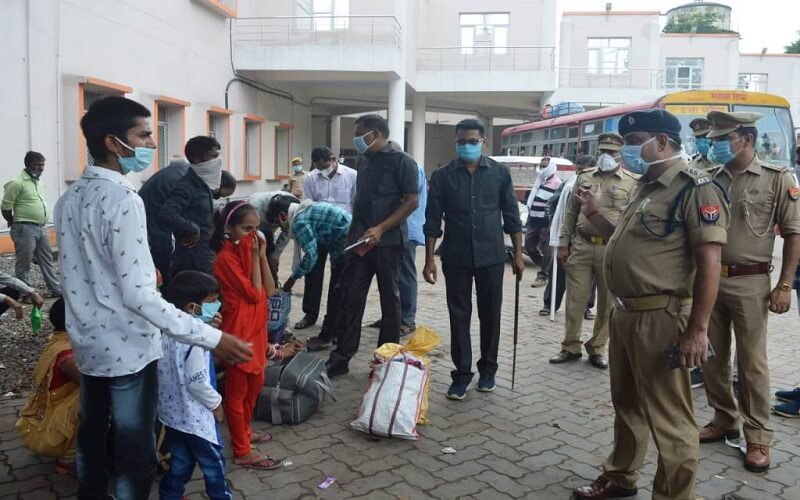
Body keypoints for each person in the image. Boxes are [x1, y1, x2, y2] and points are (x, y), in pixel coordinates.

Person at [55, 96, 252, 499]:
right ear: (113, 142)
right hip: (127, 348)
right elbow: (139, 296)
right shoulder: (124, 200)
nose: (152, 143)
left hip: (90, 344)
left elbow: (81, 275)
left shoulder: (69, 199)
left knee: (92, 437)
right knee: (134, 451)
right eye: (144, 135)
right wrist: (212, 337)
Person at [572, 109, 729, 500]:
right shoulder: (646, 186)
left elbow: (710, 262)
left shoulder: (695, 189)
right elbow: (628, 242)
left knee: (670, 416)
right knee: (626, 404)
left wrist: (696, 330)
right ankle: (620, 477)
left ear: (661, 141)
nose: (627, 149)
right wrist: (593, 213)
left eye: (633, 139)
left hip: (661, 318)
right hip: (624, 314)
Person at [697, 111, 800, 473]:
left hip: (752, 282)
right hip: (709, 281)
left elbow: (794, 234)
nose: (716, 145)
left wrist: (784, 284)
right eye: (715, 139)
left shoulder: (777, 178)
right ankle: (724, 419)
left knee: (751, 363)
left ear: (747, 140)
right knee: (711, 357)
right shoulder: (709, 178)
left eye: (724, 139)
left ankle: (758, 437)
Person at [423, 118, 524, 399]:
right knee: (459, 316)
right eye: (461, 141)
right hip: (455, 257)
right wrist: (429, 259)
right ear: (456, 142)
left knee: (490, 314)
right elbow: (432, 222)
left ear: (483, 142)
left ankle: (488, 370)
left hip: (492, 256)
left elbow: (512, 217)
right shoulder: (442, 176)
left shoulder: (500, 173)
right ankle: (462, 374)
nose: (466, 146)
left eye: (472, 141)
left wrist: (518, 253)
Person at [325, 114, 419, 377]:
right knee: (350, 296)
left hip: (388, 242)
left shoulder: (403, 161)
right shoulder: (365, 161)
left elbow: (412, 201)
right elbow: (361, 202)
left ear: (375, 134)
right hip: (360, 241)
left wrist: (381, 228)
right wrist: (353, 236)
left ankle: (386, 358)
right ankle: (342, 356)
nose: (356, 140)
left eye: (359, 134)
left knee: (391, 300)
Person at [551, 133, 638, 370]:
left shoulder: (633, 182)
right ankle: (570, 346)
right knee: (575, 300)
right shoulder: (584, 177)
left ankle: (597, 348)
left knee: (607, 303)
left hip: (611, 249)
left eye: (612, 152)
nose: (606, 156)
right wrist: (562, 242)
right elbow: (570, 213)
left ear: (621, 154)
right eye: (603, 151)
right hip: (582, 245)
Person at [210, 201, 280, 469]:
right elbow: (253, 293)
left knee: (255, 385)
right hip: (239, 332)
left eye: (257, 228)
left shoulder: (251, 251)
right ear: (229, 228)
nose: (253, 235)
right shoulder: (226, 259)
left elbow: (269, 292)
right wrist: (253, 259)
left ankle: (245, 432)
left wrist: (261, 257)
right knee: (238, 393)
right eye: (246, 228)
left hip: (258, 329)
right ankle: (241, 449)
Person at [157, 271, 232, 500]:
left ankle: (169, 496)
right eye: (211, 302)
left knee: (180, 462)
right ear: (192, 307)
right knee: (214, 466)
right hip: (197, 418)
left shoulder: (165, 331)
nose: (217, 305)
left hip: (172, 416)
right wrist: (217, 404)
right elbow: (197, 381)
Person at [263, 195, 352, 351]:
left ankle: (326, 337)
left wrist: (293, 278)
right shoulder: (304, 210)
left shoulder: (300, 222)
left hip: (348, 246)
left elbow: (311, 256)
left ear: (283, 216)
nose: (281, 228)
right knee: (341, 292)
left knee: (336, 294)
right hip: (344, 244)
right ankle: (338, 333)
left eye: (278, 223)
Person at [140, 151, 236, 280]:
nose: (214, 199)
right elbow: (170, 213)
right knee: (164, 270)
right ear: (217, 182)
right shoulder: (186, 182)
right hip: (151, 224)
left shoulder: (188, 173)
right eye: (217, 195)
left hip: (151, 220)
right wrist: (192, 228)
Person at [295, 146, 358, 331]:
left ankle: (334, 318)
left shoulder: (352, 175)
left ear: (332, 159)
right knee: (313, 271)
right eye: (318, 166)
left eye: (325, 165)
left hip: (342, 233)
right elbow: (308, 203)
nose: (322, 170)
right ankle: (310, 313)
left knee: (339, 276)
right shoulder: (311, 177)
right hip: (319, 230)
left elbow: (356, 202)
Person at [15, 298, 80, 476]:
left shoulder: (57, 342)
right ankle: (69, 458)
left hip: (38, 424)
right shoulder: (68, 355)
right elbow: (93, 383)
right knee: (99, 396)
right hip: (47, 435)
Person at [366, 162, 428, 336]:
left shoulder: (410, 168)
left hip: (407, 229)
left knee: (405, 275)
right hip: (392, 231)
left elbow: (407, 201)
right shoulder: (401, 167)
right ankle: (393, 317)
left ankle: (407, 320)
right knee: (391, 277)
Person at [159, 136, 233, 276]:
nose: (218, 161)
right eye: (214, 156)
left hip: (205, 253)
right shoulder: (187, 186)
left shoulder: (203, 185)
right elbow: (167, 212)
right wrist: (192, 228)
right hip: (193, 260)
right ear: (198, 159)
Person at [541, 154, 597, 317]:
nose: (580, 173)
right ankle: (550, 304)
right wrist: (553, 222)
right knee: (558, 271)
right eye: (578, 169)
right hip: (567, 235)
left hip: (587, 238)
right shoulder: (568, 184)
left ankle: (587, 307)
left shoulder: (597, 185)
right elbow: (552, 202)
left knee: (588, 275)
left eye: (584, 170)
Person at [1, 151, 61, 296]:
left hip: (41, 227)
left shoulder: (39, 182)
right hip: (24, 228)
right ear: (27, 165)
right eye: (37, 165)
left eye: (42, 165)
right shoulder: (16, 183)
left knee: (47, 260)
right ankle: (26, 293)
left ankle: (56, 289)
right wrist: (12, 221)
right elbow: (6, 207)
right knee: (24, 263)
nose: (40, 168)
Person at [525, 157, 562, 288]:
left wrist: (553, 223)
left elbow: (557, 205)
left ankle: (543, 275)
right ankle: (546, 266)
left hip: (547, 222)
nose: (542, 168)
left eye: (545, 165)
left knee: (547, 250)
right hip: (534, 220)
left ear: (551, 166)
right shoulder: (539, 180)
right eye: (541, 165)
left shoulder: (557, 183)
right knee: (529, 246)